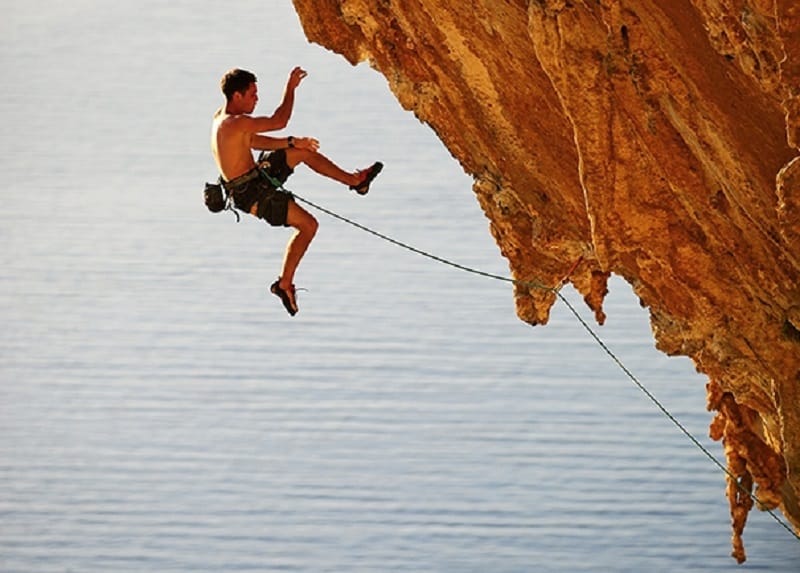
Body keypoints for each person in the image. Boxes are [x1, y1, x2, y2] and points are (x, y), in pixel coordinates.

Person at [211, 67, 382, 316]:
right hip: (252, 195)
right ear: (237, 96)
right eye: (252, 94)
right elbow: (279, 121)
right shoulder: (235, 123)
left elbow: (253, 142)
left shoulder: (223, 119)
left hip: (257, 178)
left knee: (304, 152)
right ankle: (283, 284)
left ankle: (356, 182)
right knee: (309, 226)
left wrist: (292, 143)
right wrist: (290, 88)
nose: (256, 99)